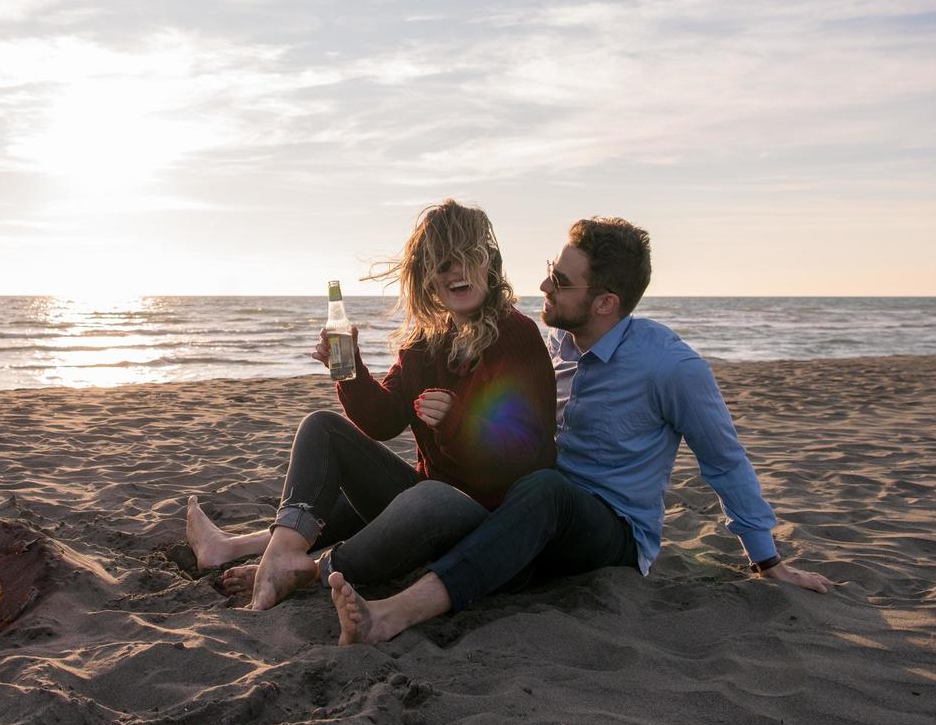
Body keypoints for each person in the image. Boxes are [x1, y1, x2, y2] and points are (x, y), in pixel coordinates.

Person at [330, 216, 833, 644]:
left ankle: (394, 614)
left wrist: (769, 563)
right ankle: (291, 552)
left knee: (545, 489)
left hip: (608, 532)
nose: (545, 285)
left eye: (562, 281)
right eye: (552, 271)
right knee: (458, 499)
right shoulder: (552, 346)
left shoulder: (671, 367)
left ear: (605, 303)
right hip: (526, 515)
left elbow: (724, 461)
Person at [185, 199, 557, 610]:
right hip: (423, 504)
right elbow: (382, 422)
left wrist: (457, 422)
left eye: (470, 258)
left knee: (429, 496)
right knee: (321, 426)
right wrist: (349, 373)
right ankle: (286, 552)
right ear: (426, 277)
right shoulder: (424, 343)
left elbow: (528, 455)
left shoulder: (514, 335)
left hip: (486, 522)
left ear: (491, 264)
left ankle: (314, 570)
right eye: (443, 263)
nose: (457, 272)